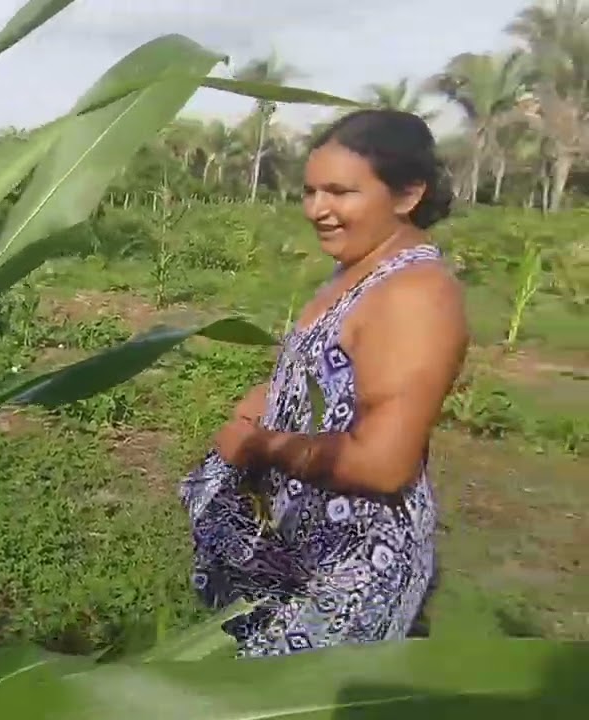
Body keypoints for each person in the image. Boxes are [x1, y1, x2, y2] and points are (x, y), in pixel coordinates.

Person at [179, 109, 467, 656]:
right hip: (303, 545)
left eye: (340, 192)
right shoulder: (357, 269)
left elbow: (383, 463)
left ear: (407, 195)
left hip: (351, 567)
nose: (318, 210)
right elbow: (334, 381)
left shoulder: (414, 295)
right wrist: (272, 398)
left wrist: (259, 444)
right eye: (310, 191)